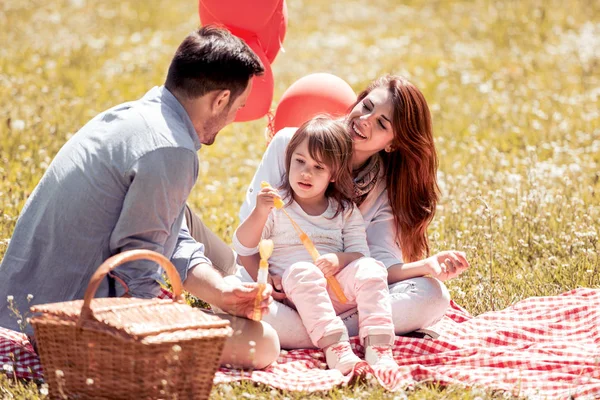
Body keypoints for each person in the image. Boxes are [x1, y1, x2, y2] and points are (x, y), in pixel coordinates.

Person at [0, 26, 279, 369]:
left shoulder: (141, 115)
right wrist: (159, 328)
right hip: (63, 323)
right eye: (238, 107)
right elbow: (137, 270)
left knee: (189, 223)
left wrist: (220, 293)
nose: (235, 118)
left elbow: (168, 230)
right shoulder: (172, 150)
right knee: (263, 343)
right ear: (220, 99)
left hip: (18, 298)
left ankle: (225, 290)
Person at [234, 75, 471, 349]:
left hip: (342, 300)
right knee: (249, 301)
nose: (365, 119)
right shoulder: (290, 144)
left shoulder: (383, 185)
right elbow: (247, 242)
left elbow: (378, 264)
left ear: (393, 143)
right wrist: (270, 284)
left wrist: (426, 266)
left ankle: (319, 335)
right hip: (281, 294)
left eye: (382, 123)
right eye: (367, 106)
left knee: (434, 295)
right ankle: (347, 332)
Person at [233, 116, 399, 374]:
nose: (306, 172)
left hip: (337, 294)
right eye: (300, 162)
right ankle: (336, 347)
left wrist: (338, 260)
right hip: (293, 294)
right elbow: (243, 247)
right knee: (302, 271)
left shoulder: (344, 211)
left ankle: (379, 347)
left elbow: (360, 255)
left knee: (372, 268)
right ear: (289, 161)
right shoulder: (278, 206)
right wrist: (259, 212)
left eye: (319, 167)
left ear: (334, 175)